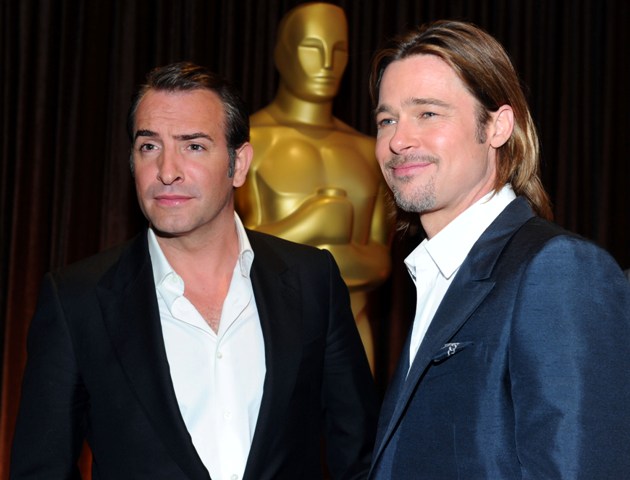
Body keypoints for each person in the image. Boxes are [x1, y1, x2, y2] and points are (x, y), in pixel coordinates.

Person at [10, 62, 378, 480]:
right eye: (149, 146)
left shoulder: (312, 280)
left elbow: (361, 459)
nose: (167, 171)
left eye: (194, 146)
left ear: (239, 164)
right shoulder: (77, 300)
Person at [367, 20, 630, 478]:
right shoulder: (437, 275)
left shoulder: (559, 270)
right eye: (386, 120)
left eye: (428, 113)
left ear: (497, 126)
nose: (398, 140)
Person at [235, 3, 392, 370]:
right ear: (282, 53)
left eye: (339, 50)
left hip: (354, 338)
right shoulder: (249, 143)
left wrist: (313, 248)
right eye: (312, 47)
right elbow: (229, 251)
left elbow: (382, 261)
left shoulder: (369, 151)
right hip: (264, 335)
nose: (326, 63)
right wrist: (313, 222)